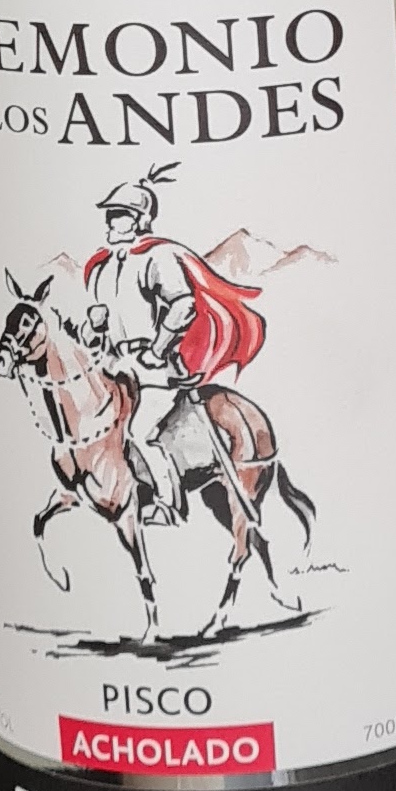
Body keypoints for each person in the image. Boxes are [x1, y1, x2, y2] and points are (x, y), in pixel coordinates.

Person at [82, 168, 265, 524]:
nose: (112, 220)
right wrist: (93, 328)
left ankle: (168, 504)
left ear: (140, 220)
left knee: (140, 433)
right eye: (110, 213)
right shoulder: (102, 268)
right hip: (113, 366)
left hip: (152, 368)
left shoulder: (158, 258)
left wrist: (157, 349)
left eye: (120, 214)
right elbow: (99, 322)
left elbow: (183, 305)